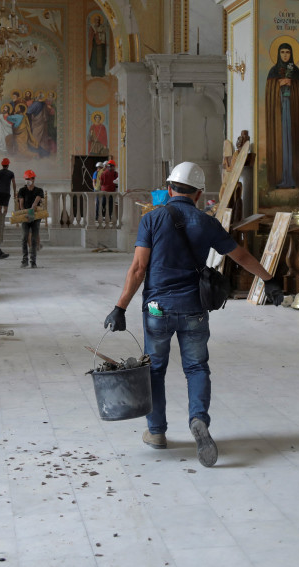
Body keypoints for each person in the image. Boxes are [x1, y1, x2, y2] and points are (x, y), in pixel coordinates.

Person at [103, 161, 285, 468]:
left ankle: (157, 432)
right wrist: (268, 280)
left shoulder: (152, 219)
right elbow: (240, 255)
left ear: (169, 188)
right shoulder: (207, 222)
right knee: (197, 368)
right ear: (199, 194)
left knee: (154, 370)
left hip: (157, 309)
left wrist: (120, 307)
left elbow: (138, 269)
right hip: (194, 308)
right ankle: (198, 419)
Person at [264, 43, 299, 190]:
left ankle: (292, 178)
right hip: (278, 112)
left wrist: (292, 85)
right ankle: (280, 178)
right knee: (281, 143)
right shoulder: (273, 71)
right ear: (278, 54)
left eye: (288, 52)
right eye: (282, 52)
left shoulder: (296, 71)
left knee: (291, 142)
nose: (285, 55)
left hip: (292, 111)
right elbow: (270, 93)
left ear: (291, 53)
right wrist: (278, 85)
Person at [16, 170, 45, 268]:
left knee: (33, 239)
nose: (28, 180)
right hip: (25, 216)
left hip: (35, 217)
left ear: (33, 179)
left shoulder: (39, 190)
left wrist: (32, 208)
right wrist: (24, 212)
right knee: (24, 237)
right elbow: (21, 203)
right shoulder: (22, 190)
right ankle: (24, 260)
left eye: (29, 179)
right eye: (26, 179)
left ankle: (33, 261)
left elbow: (36, 201)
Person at [0, 158, 16, 245]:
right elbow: (13, 183)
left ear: (2, 165)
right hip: (6, 192)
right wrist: (15, 193)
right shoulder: (11, 173)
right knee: (5, 208)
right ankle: (2, 221)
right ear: (8, 165)